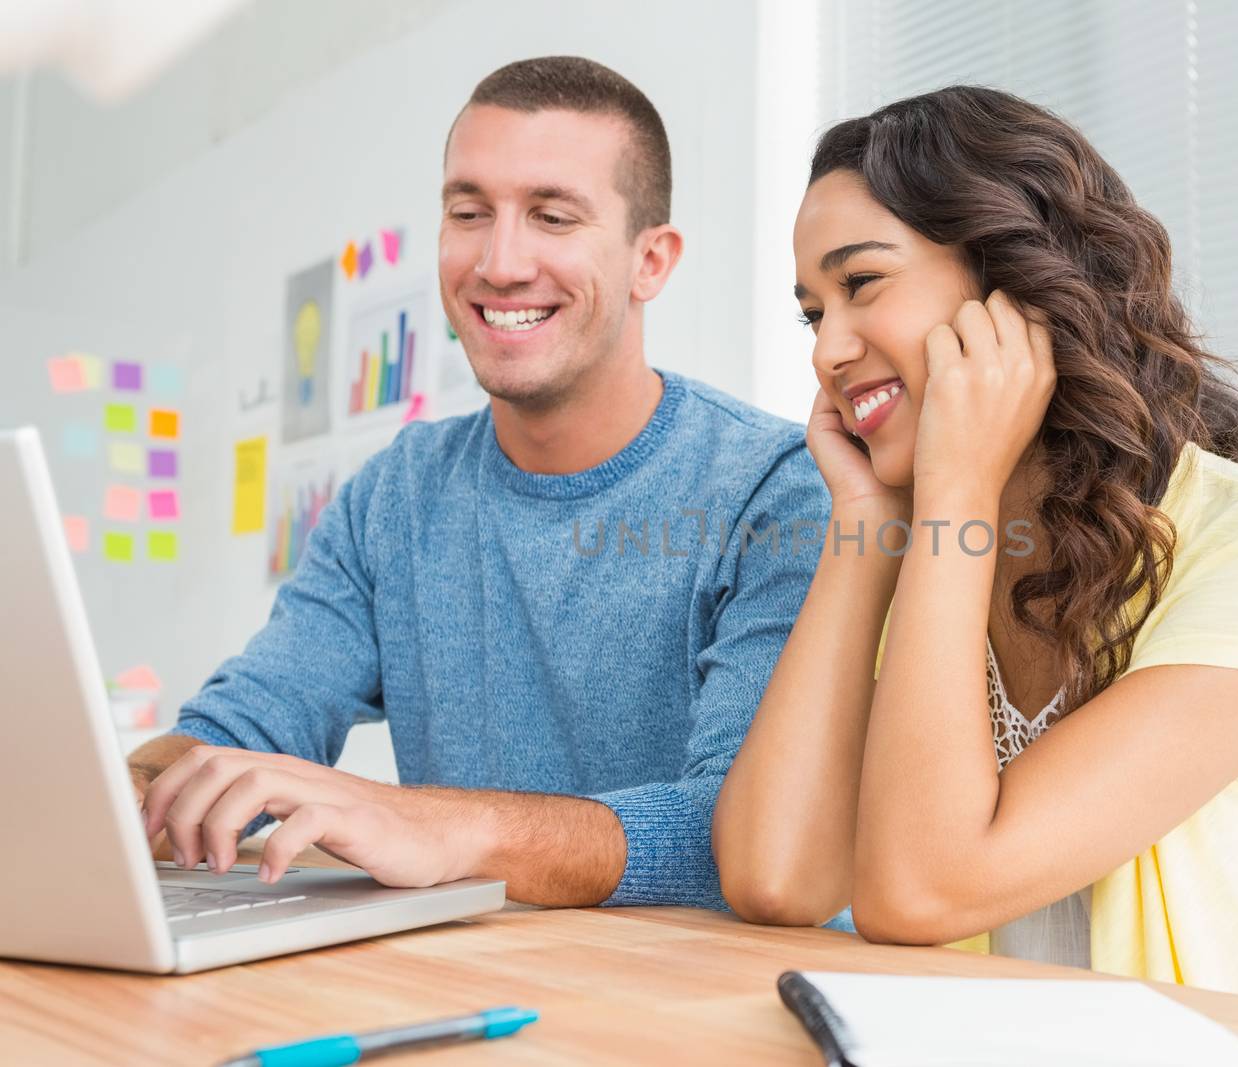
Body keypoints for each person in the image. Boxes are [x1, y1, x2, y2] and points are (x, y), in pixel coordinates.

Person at [712, 85, 1238, 1024]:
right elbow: (776, 875)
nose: (828, 353)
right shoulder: (945, 567)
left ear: (1015, 285)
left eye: (860, 284)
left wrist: (951, 496)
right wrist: (866, 526)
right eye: (811, 314)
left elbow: (923, 890)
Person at [128, 56, 828, 909]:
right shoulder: (395, 496)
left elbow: (740, 831)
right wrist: (128, 790)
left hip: (698, 1007)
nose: (499, 262)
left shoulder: (777, 490)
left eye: (552, 216)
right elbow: (245, 724)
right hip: (479, 987)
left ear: (652, 261)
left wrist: (441, 825)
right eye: (469, 213)